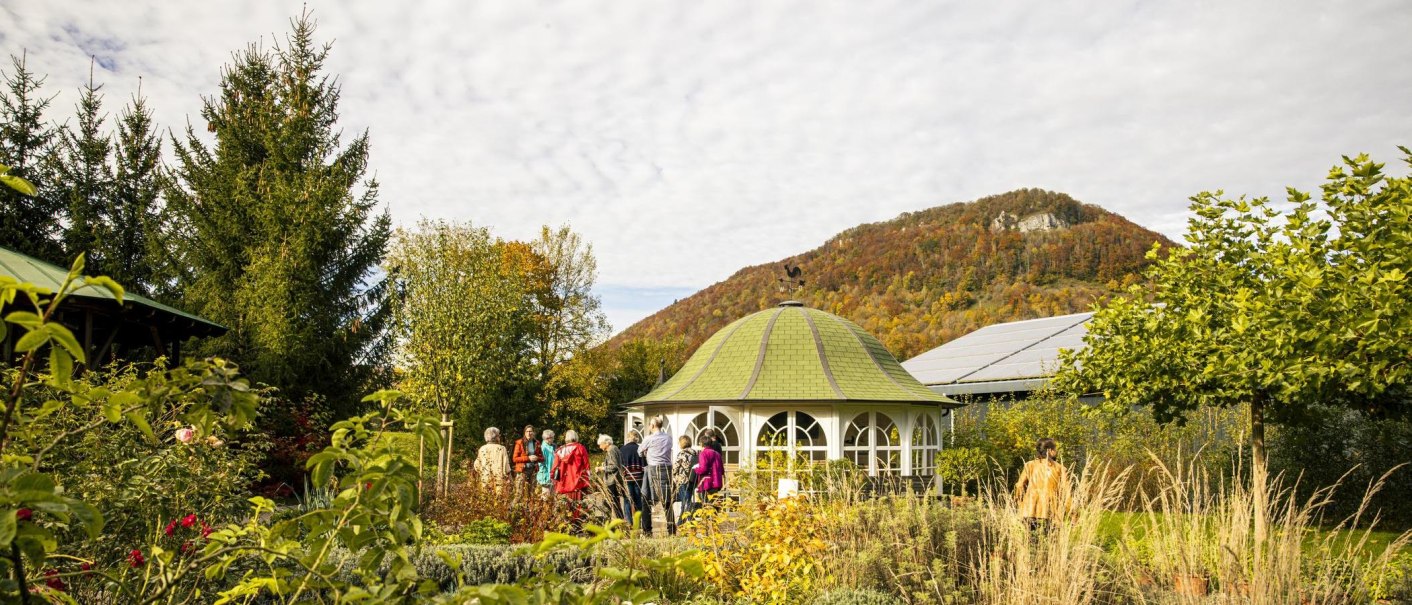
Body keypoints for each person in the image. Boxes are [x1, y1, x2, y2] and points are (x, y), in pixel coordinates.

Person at [1014, 437, 1070, 533]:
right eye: (1055, 449)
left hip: (1029, 509)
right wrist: (1072, 513)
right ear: (1050, 450)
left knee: (1030, 541)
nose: (1056, 451)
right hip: (1051, 511)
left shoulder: (1029, 465)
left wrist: (1018, 501)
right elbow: (1067, 492)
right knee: (1050, 542)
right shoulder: (1060, 469)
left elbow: (1019, 485)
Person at [639, 415, 677, 535]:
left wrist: (647, 452)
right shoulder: (668, 438)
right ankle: (671, 529)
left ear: (653, 425)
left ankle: (647, 530)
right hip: (667, 467)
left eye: (650, 424)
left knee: (647, 498)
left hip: (653, 468)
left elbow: (639, 452)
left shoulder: (649, 439)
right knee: (667, 499)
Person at [618, 429, 646, 529]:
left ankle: (629, 522)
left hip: (627, 478)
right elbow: (644, 465)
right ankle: (638, 522)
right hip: (639, 477)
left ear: (628, 438)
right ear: (637, 438)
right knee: (638, 500)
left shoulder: (622, 449)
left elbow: (620, 465)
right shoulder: (639, 448)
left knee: (627, 500)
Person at [552, 430, 591, 502]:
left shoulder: (560, 450)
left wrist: (552, 477)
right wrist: (588, 478)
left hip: (564, 483)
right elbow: (586, 465)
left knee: (566, 508)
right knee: (578, 506)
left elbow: (554, 467)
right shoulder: (580, 448)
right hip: (578, 482)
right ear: (576, 437)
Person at [596, 434, 626, 520]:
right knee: (615, 503)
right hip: (616, 479)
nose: (600, 447)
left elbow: (614, 466)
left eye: (600, 444)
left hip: (612, 480)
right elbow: (620, 463)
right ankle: (620, 521)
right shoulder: (615, 448)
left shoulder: (611, 450)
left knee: (610, 503)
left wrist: (602, 468)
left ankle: (611, 522)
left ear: (606, 443)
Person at [694, 431, 725, 508]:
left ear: (702, 444)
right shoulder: (717, 454)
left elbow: (703, 468)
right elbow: (722, 469)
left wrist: (696, 469)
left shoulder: (703, 453)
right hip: (716, 481)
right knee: (714, 503)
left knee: (705, 503)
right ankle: (714, 519)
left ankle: (707, 519)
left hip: (706, 482)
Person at [672, 434, 700, 520]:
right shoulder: (695, 453)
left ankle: (685, 521)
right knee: (687, 499)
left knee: (685, 501)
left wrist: (673, 476)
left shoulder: (682, 453)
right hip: (692, 479)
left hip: (683, 480)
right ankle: (685, 520)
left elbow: (675, 468)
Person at [537, 429, 557, 493]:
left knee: (553, 497)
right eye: (552, 437)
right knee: (546, 497)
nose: (553, 439)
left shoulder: (552, 447)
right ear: (547, 438)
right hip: (546, 476)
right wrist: (547, 476)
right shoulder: (543, 448)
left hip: (552, 475)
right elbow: (541, 464)